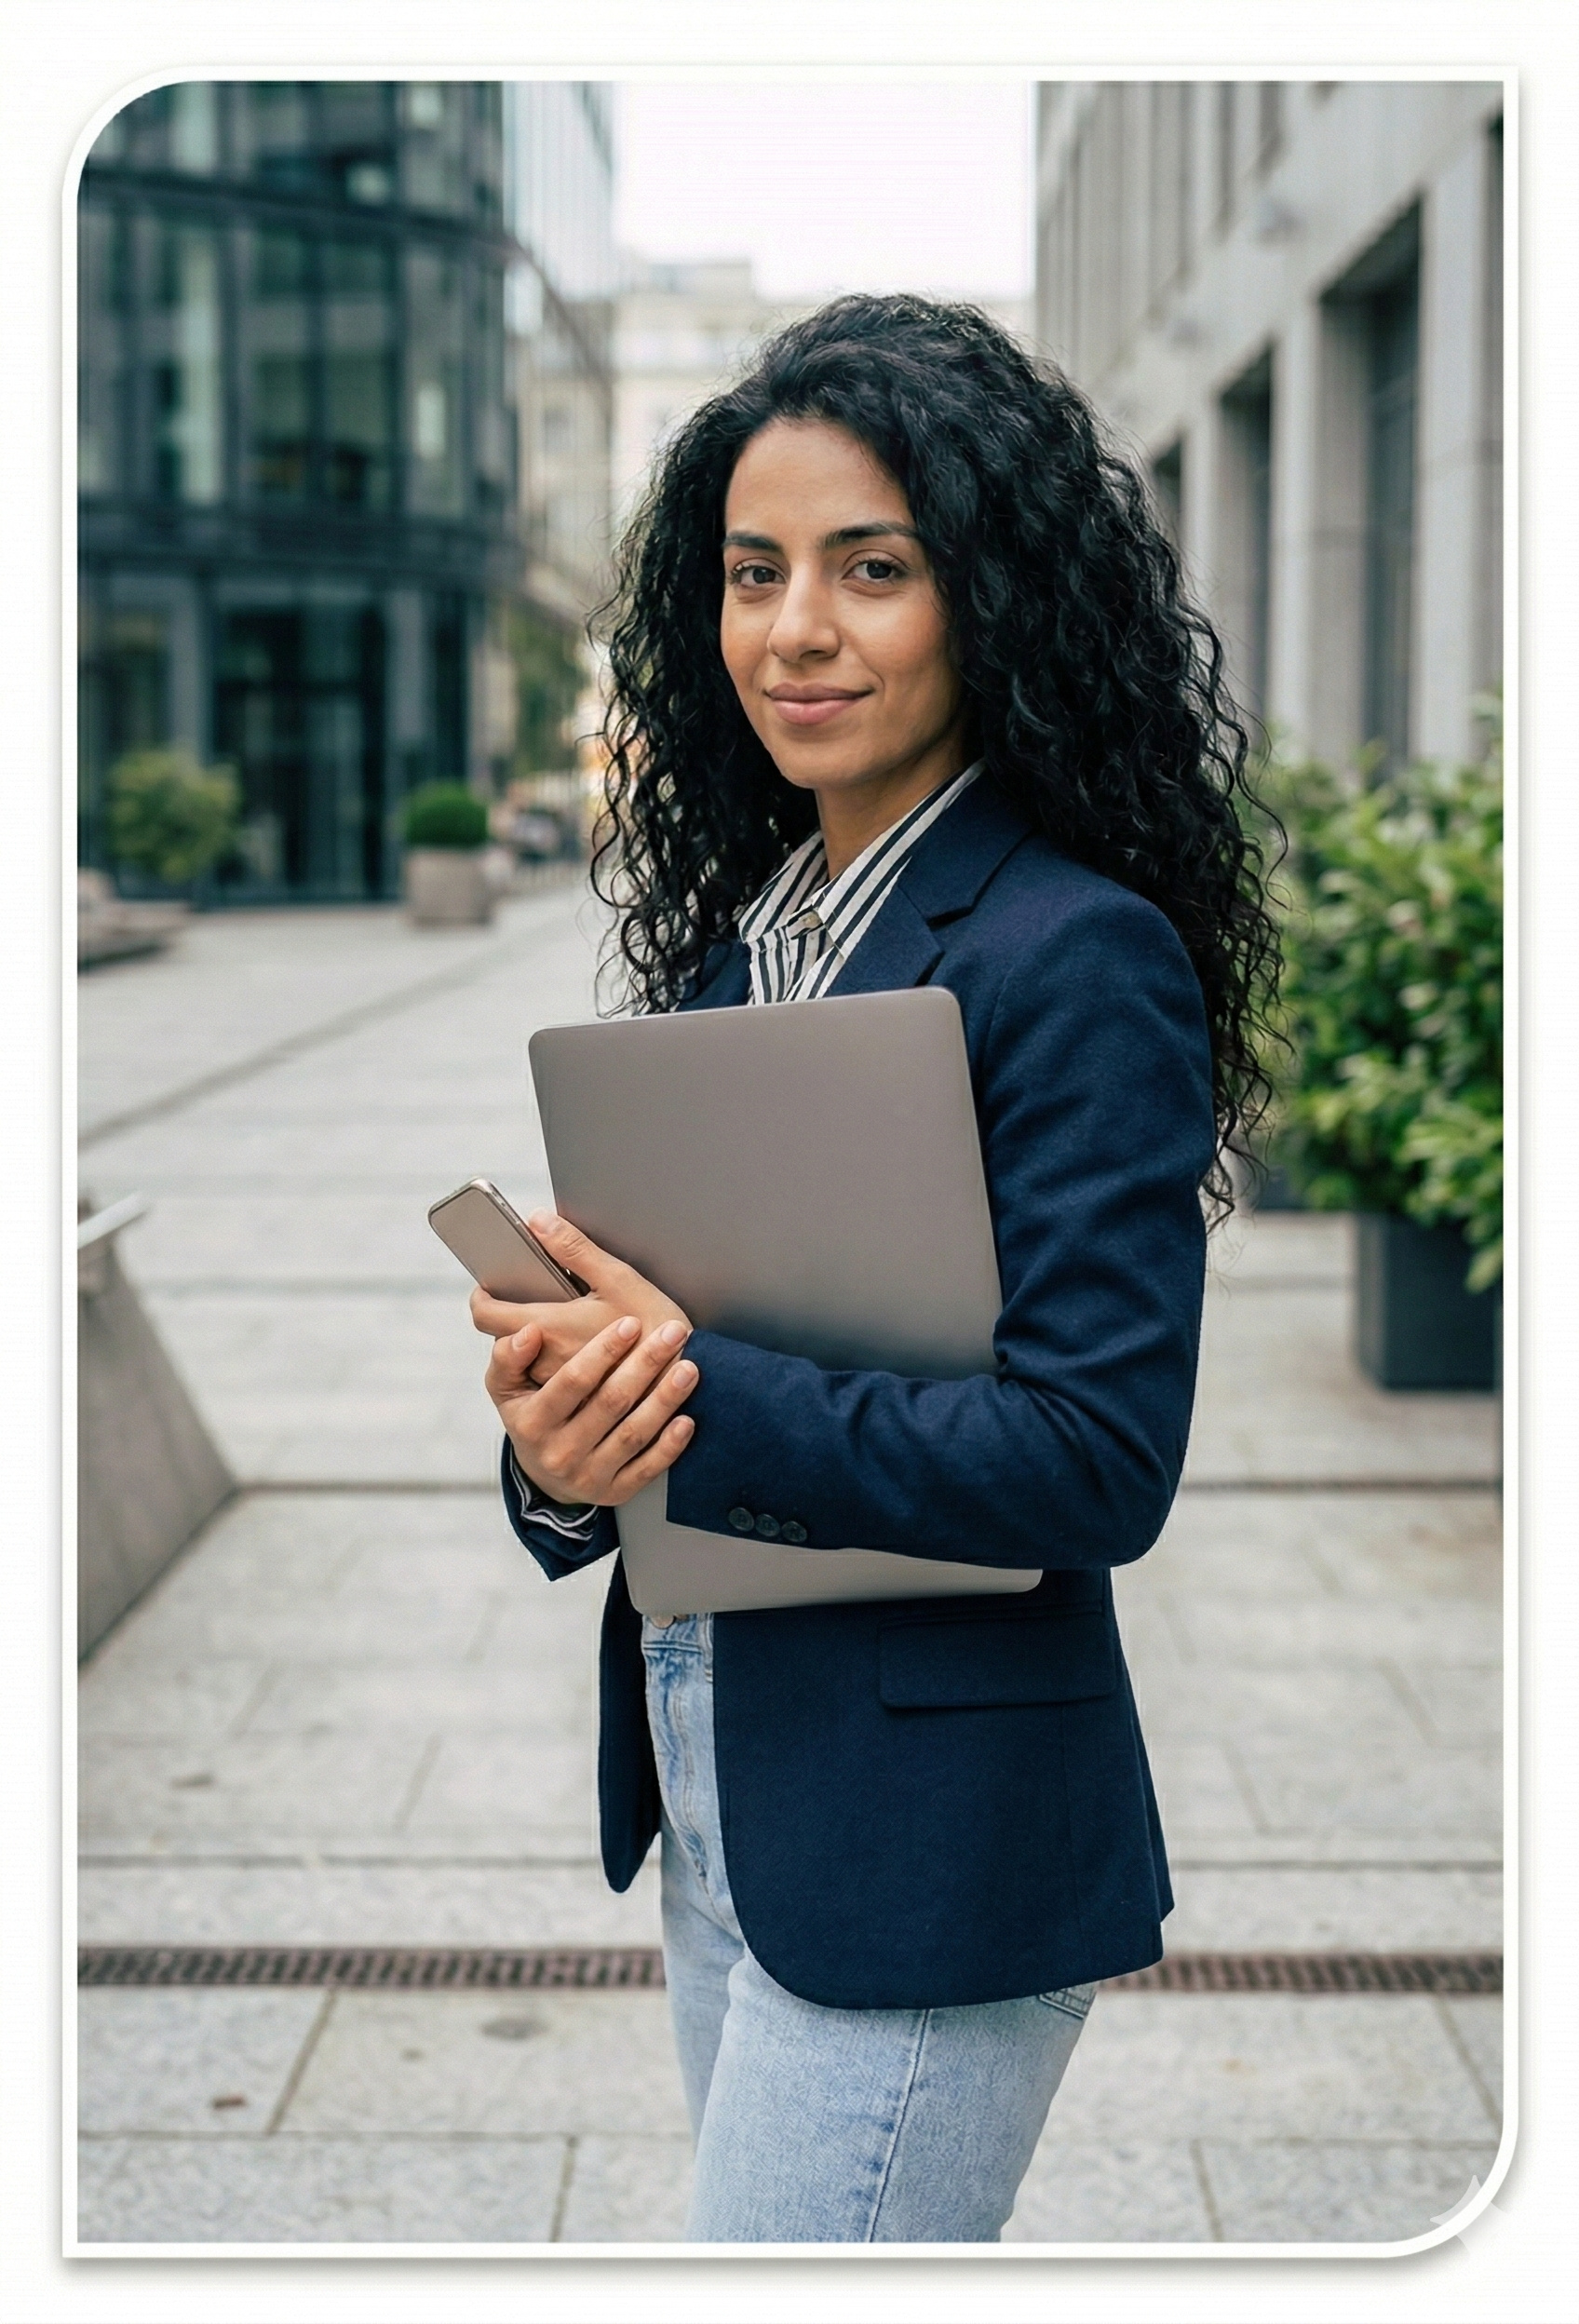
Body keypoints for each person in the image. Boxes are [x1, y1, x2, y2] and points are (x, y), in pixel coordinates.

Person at [468, 295, 1278, 2243]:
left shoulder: (1068, 955)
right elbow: (675, 1386)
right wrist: (562, 1452)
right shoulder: (736, 954)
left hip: (930, 1845)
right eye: (751, 575)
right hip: (723, 1792)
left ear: (984, 596)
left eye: (870, 569)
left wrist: (686, 1389)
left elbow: (1095, 1458)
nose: (792, 630)